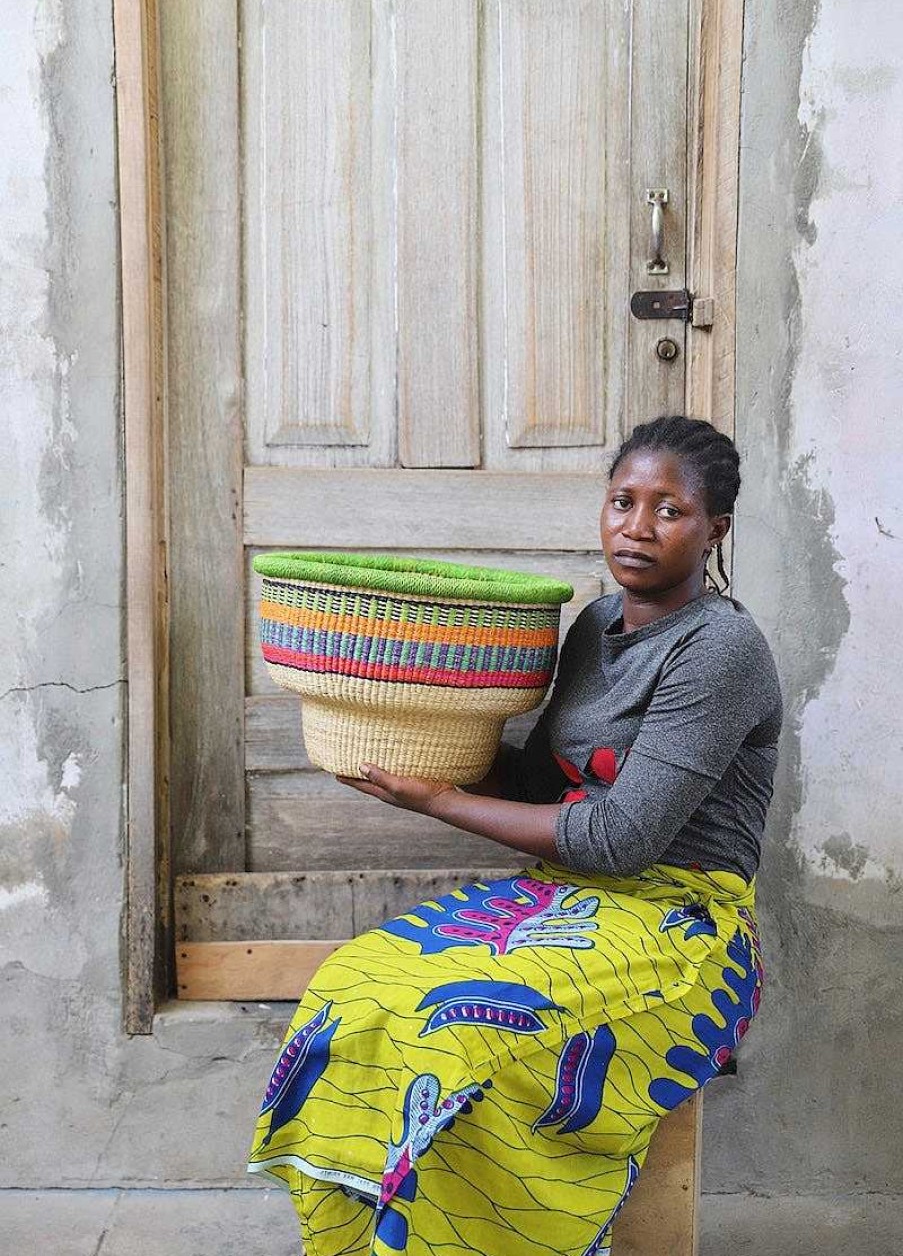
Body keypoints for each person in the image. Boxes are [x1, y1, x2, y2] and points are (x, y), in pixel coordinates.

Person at [248, 415, 783, 1256]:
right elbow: (539, 789)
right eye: (621, 500)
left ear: (714, 528)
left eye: (667, 509)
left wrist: (437, 801)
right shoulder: (594, 626)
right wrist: (406, 749)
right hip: (563, 902)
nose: (636, 527)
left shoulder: (721, 650)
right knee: (350, 989)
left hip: (681, 927)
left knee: (463, 1034)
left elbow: (617, 838)